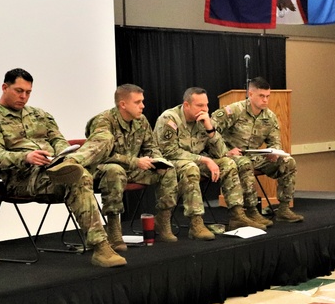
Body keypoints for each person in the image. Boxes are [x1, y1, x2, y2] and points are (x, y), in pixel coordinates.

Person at [0, 68, 125, 267]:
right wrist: (26, 157)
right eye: (19, 91)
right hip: (24, 178)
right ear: (4, 87)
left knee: (112, 163)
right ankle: (100, 247)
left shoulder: (40, 115)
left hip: (57, 166)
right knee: (78, 177)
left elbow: (58, 140)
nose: (24, 96)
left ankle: (114, 232)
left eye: (28, 92)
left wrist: (63, 155)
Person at [155, 87, 266, 240]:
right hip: (172, 162)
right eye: (200, 106)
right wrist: (205, 160)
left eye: (206, 105)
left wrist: (210, 129)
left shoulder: (203, 119)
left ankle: (237, 215)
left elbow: (220, 153)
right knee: (191, 168)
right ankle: (196, 223)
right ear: (186, 105)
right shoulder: (169, 119)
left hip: (196, 160)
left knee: (227, 163)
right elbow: (169, 152)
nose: (205, 109)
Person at [85, 84, 179, 251]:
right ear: (123, 104)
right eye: (137, 102)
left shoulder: (140, 120)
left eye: (142, 101)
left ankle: (163, 221)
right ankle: (114, 230)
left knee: (168, 170)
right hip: (103, 170)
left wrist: (158, 160)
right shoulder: (103, 121)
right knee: (115, 170)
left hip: (133, 170)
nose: (142, 106)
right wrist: (135, 161)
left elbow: (150, 146)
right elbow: (100, 154)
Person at [212, 77, 303, 223]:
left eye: (267, 96)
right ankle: (252, 211)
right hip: (232, 156)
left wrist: (274, 152)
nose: (265, 100)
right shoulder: (235, 110)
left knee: (288, 162)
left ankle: (284, 209)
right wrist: (225, 151)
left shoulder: (270, 117)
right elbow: (210, 131)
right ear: (250, 94)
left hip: (255, 156)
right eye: (261, 96)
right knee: (244, 163)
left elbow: (275, 141)